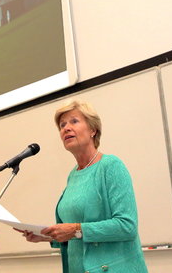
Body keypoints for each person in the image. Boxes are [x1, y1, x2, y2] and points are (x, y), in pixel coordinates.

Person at [20, 100, 148, 273]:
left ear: (93, 130)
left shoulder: (111, 166)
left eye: (74, 121)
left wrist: (75, 230)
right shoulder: (73, 175)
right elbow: (76, 235)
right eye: (62, 125)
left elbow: (127, 226)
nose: (66, 128)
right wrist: (45, 236)